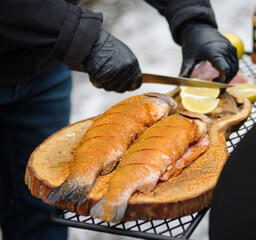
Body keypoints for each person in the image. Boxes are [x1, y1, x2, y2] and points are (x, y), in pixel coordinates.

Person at [0, 0, 238, 239]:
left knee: (40, 214)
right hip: (48, 43)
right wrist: (78, 36)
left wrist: (192, 18)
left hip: (46, 63)